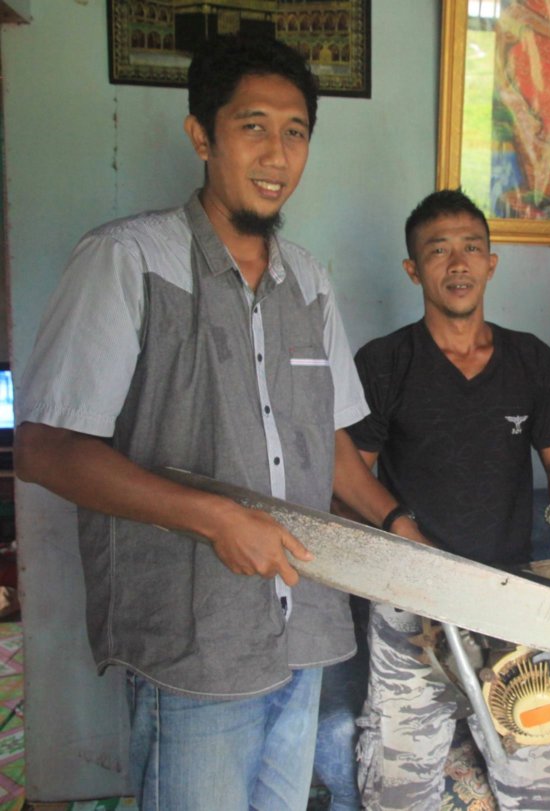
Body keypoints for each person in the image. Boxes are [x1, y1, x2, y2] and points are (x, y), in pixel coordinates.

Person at [14, 36, 424, 810]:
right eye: (253, 126)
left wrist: (395, 520)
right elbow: (45, 449)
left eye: (295, 131)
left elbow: (330, 443)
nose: (277, 154)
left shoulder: (309, 280)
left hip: (302, 632)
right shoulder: (128, 261)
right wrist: (215, 518)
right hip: (196, 646)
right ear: (202, 135)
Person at [347, 189, 550, 810]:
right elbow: (347, 479)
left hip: (512, 602)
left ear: (491, 263)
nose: (457, 264)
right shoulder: (385, 362)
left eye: (471, 248)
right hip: (410, 605)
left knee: (542, 787)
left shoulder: (531, 359)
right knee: (398, 789)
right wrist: (396, 536)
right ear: (413, 270)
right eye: (438, 250)